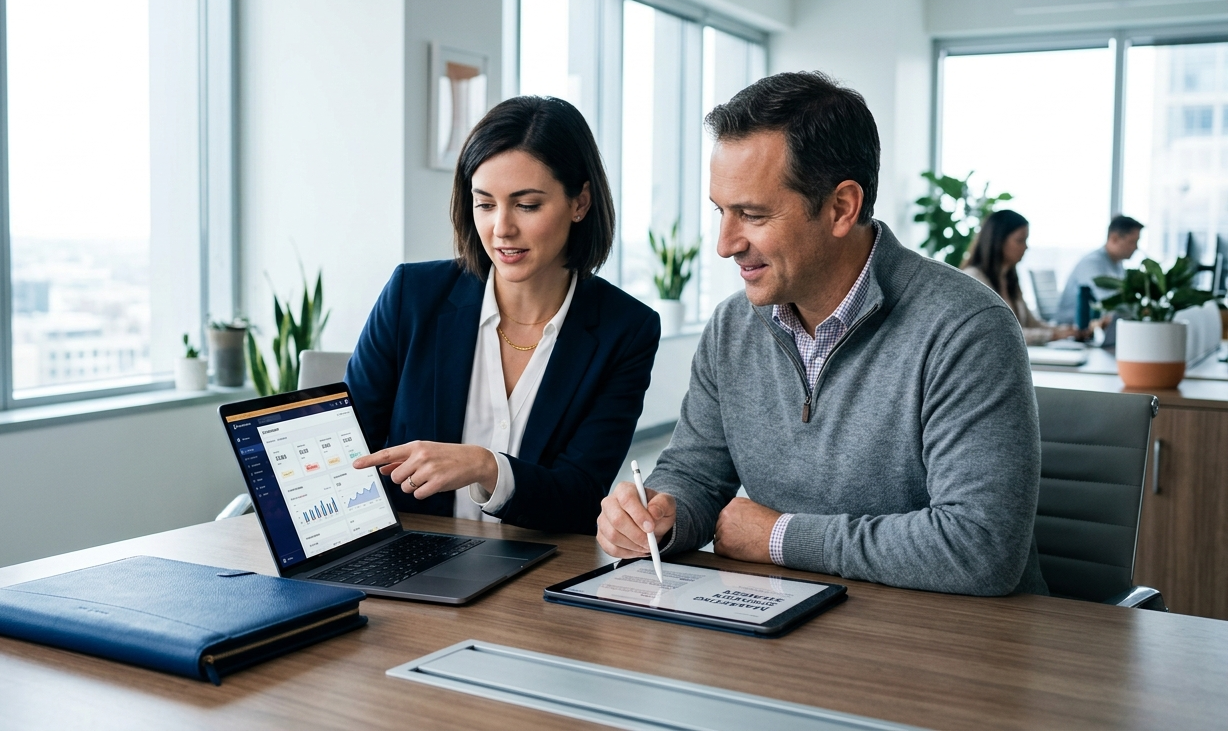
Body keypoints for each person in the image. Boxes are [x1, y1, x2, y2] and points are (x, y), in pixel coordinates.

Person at [596, 71, 1047, 597]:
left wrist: (781, 537)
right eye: (721, 211)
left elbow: (979, 549)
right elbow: (695, 474)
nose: (725, 244)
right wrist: (660, 514)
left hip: (948, 645)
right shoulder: (732, 326)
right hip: (790, 627)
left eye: (752, 214)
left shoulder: (966, 329)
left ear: (841, 208)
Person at [346, 96, 660, 535]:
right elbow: (347, 444)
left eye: (527, 205)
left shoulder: (625, 329)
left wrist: (485, 467)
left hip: (534, 573)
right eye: (485, 204)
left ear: (580, 202)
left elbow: (582, 495)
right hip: (408, 560)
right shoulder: (412, 296)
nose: (501, 228)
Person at [962, 210, 1082, 345]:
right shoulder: (974, 279)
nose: (1026, 247)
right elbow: (1001, 333)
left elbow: (1031, 323)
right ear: (998, 241)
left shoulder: (1008, 278)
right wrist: (1053, 334)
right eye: (1020, 240)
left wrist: (1064, 331)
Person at [1055, 215, 1142, 325]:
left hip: (1096, 330)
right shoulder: (1092, 263)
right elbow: (1111, 303)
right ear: (1114, 238)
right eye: (1132, 242)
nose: (1136, 247)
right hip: (1072, 329)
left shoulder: (1118, 265)